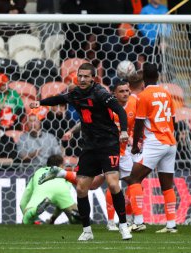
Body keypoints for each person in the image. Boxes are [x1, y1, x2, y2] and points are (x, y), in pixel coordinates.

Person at [30, 63, 132, 241]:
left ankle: (123, 226)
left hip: (108, 143)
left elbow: (120, 112)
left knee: (113, 183)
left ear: (93, 78)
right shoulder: (75, 94)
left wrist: (123, 131)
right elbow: (59, 99)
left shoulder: (101, 94)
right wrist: (40, 103)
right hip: (90, 146)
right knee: (81, 188)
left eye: (86, 76)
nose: (82, 79)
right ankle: (86, 231)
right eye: (80, 76)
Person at [127, 63, 178, 233]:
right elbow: (173, 119)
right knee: (167, 185)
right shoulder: (167, 94)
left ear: (144, 78)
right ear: (157, 76)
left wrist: (135, 146)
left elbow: (140, 122)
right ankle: (171, 224)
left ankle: (139, 221)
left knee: (134, 178)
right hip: (170, 142)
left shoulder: (143, 96)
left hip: (155, 142)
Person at [20, 155, 80, 225]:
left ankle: (31, 213)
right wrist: (53, 218)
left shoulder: (38, 172)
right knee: (76, 218)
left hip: (42, 189)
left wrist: (25, 212)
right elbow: (61, 205)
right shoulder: (64, 173)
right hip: (61, 190)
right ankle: (75, 217)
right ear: (61, 165)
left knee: (27, 217)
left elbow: (23, 201)